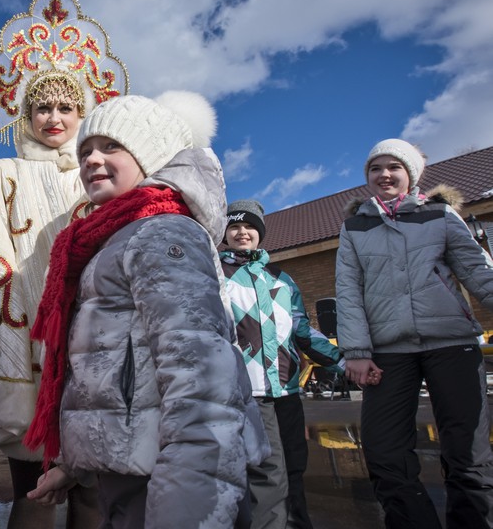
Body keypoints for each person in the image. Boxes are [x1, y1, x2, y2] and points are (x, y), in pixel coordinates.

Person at [0, 0, 128, 529]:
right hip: (22, 349)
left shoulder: (103, 175)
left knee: (93, 492)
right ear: (24, 113)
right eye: (42, 107)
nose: (53, 117)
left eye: (67, 106)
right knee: (34, 493)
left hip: (96, 347)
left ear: (86, 112)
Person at [25, 94, 269, 528]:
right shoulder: (112, 238)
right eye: (85, 151)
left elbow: (199, 374)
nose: (91, 159)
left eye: (111, 146)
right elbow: (116, 371)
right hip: (133, 467)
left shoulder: (161, 233)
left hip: (170, 479)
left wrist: (189, 499)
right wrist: (74, 465)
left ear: (150, 154)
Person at [336, 138, 493, 528]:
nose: (384, 175)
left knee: (468, 454)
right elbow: (349, 290)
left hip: (452, 344)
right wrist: (356, 351)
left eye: (394, 167)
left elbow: (477, 272)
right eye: (375, 168)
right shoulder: (355, 227)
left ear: (411, 174)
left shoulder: (440, 215)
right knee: (385, 453)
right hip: (389, 352)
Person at [221, 199, 346, 529]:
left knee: (294, 467)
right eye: (234, 226)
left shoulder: (281, 280)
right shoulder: (217, 276)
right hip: (249, 393)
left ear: (260, 233)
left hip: (287, 391)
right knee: (269, 474)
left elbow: (303, 331)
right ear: (225, 234)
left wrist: (344, 362)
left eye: (249, 226)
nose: (242, 232)